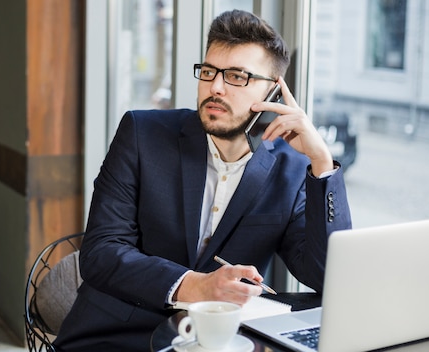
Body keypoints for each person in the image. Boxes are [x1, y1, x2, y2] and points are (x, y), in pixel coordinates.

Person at [53, 9, 352, 351]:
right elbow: (101, 253)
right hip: (118, 335)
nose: (216, 87)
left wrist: (321, 164)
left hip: (221, 342)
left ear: (273, 92)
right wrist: (197, 286)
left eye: (237, 76)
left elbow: (326, 277)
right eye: (209, 71)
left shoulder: (292, 168)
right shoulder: (141, 134)